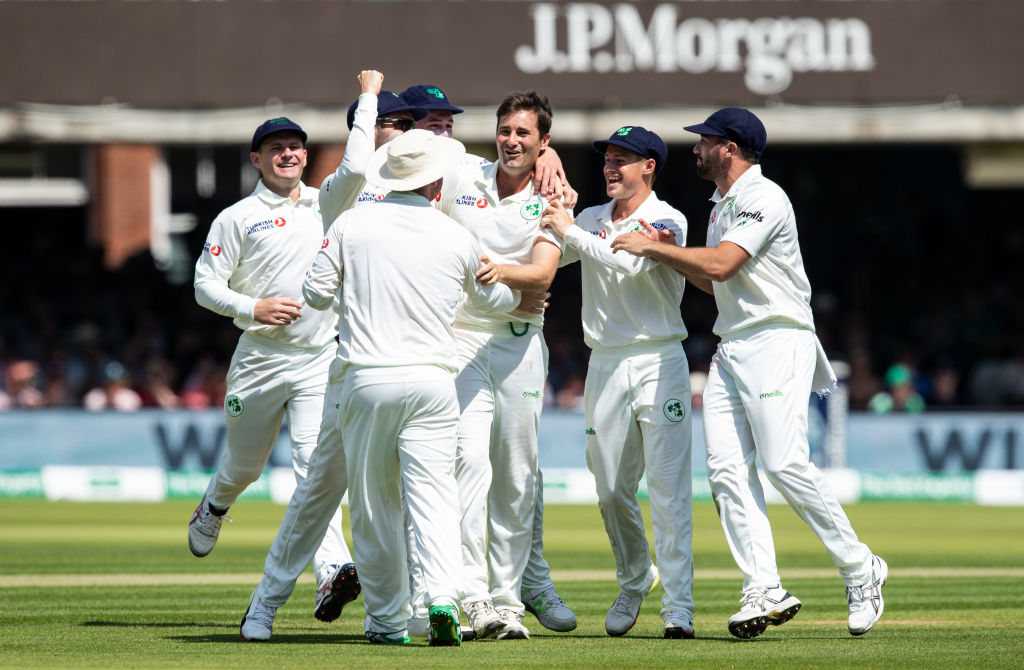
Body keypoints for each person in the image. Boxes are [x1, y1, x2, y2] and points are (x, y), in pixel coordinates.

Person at [240, 129, 544, 645]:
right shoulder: (455, 236)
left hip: (364, 379)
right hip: (433, 382)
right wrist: (515, 297)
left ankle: (374, 620)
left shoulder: (352, 223)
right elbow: (490, 304)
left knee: (371, 506)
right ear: (433, 185)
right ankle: (442, 600)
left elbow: (314, 295)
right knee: (435, 499)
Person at [611, 107, 887, 639]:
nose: (696, 149)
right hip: (733, 344)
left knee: (784, 464)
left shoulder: (764, 197)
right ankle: (763, 585)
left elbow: (721, 266)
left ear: (730, 149)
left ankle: (860, 568)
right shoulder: (720, 207)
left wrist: (653, 246)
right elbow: (717, 286)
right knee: (726, 474)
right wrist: (669, 254)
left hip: (777, 338)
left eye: (704, 141)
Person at [400, 82, 578, 637]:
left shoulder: (553, 200)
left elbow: (544, 273)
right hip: (461, 338)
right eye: (505, 130)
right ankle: (474, 595)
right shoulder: (464, 173)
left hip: (520, 343)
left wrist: (495, 271)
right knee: (468, 463)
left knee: (517, 475)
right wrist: (501, 270)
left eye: (525, 134)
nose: (511, 141)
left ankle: (509, 597)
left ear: (543, 141)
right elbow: (408, 148)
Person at [189, 117, 358, 626]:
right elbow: (204, 285)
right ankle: (214, 505)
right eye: (276, 148)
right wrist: (253, 306)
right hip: (260, 357)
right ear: (257, 160)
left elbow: (367, 170)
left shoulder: (330, 204)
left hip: (318, 358)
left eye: (295, 147)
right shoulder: (237, 217)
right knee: (246, 466)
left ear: (306, 157)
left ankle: (331, 570)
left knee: (315, 468)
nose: (288, 154)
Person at [540, 126, 695, 639]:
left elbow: (627, 263)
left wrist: (570, 230)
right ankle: (635, 579)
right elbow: (552, 260)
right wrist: (547, 215)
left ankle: (679, 608)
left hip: (658, 360)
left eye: (623, 158)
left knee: (669, 491)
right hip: (604, 361)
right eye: (607, 157)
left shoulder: (668, 218)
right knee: (609, 488)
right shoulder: (589, 218)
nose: (611, 166)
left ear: (649, 165)